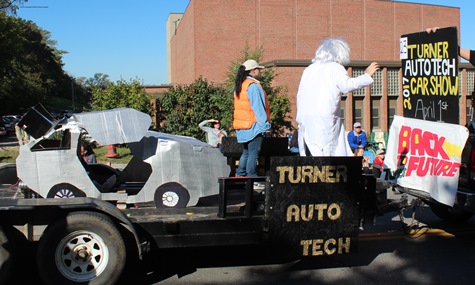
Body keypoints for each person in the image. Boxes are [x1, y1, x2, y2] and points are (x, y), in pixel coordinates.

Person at [296, 37, 379, 156]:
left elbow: (299, 95)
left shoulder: (309, 70)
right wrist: (366, 75)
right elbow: (346, 85)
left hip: (305, 118)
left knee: (310, 152)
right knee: (328, 152)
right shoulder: (335, 68)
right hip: (324, 117)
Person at [233, 59, 271, 177]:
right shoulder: (253, 86)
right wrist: (265, 126)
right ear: (253, 71)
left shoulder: (240, 85)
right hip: (253, 126)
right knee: (253, 153)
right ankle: (251, 176)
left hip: (242, 126)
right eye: (258, 69)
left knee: (246, 152)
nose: (259, 71)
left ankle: (240, 174)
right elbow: (258, 108)